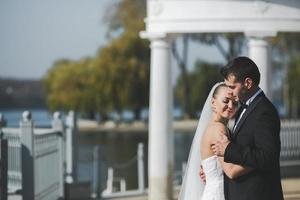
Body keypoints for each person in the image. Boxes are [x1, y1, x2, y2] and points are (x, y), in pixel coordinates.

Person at [211, 56, 284, 200]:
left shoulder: (264, 111)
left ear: (248, 83)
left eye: (232, 87)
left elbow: (268, 156)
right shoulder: (245, 107)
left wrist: (228, 149)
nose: (230, 92)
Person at [179, 82, 253, 200]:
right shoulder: (218, 130)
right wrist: (259, 161)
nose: (231, 106)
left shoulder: (212, 127)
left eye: (234, 103)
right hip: (219, 194)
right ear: (213, 103)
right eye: (226, 101)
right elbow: (231, 171)